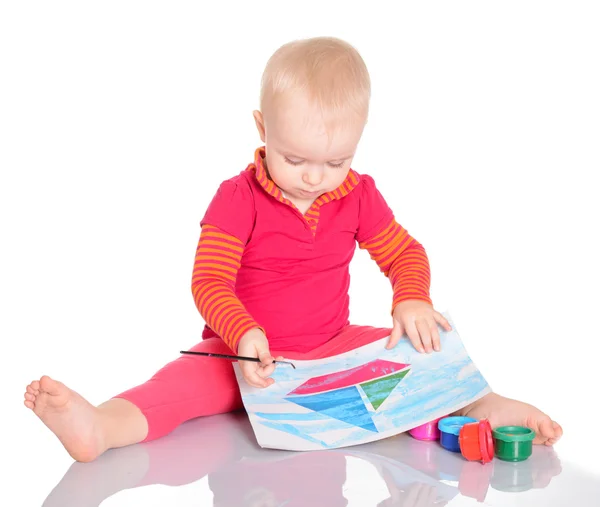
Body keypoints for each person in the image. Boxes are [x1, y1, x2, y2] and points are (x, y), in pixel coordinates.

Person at [24, 36, 562, 463]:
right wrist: (243, 332)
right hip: (242, 354)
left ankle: (480, 404)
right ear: (262, 129)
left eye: (335, 162)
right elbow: (208, 283)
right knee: (176, 387)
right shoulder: (237, 198)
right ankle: (99, 426)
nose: (314, 178)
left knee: (426, 345)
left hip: (330, 343)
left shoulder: (358, 193)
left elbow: (404, 254)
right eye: (296, 158)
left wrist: (411, 298)